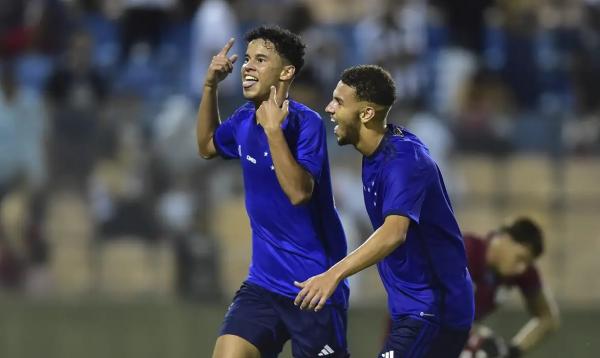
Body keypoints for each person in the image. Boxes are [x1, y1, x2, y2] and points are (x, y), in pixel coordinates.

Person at [294, 65, 474, 357]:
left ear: (366, 114)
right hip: (412, 309)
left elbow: (394, 233)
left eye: (339, 102)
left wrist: (333, 275)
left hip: (436, 309)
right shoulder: (377, 153)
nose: (329, 108)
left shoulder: (403, 160)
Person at [196, 25, 350, 358]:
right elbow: (208, 146)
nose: (247, 66)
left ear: (286, 72)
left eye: (260, 59)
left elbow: (298, 192)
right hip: (263, 285)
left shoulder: (305, 125)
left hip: (314, 289)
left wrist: (273, 132)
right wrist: (210, 86)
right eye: (247, 59)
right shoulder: (242, 121)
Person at [461, 217, 560, 357]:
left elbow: (548, 318)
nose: (521, 269)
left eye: (526, 263)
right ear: (505, 239)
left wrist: (513, 351)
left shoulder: (523, 272)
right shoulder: (465, 250)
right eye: (520, 258)